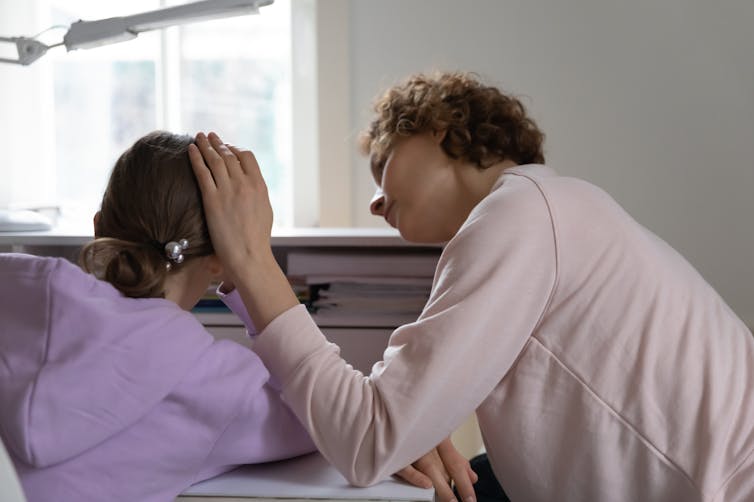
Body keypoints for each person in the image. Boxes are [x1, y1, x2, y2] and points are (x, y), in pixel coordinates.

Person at [188, 70, 754, 502]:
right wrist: (414, 420)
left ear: (439, 127)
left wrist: (252, 261)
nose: (375, 200)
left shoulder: (522, 215)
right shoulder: (548, 210)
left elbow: (367, 441)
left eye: (382, 164)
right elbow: (390, 426)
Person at [0, 131, 320, 502]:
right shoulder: (211, 382)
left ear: (99, 225)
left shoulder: (15, 295)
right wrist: (251, 271)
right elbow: (321, 418)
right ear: (221, 257)